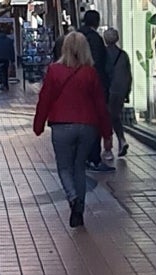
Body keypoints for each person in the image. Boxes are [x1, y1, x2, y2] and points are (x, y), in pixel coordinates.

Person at [32, 32, 111, 229]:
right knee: (79, 168)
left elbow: (45, 99)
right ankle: (80, 210)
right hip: (87, 126)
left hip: (61, 125)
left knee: (64, 167)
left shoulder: (54, 71)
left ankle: (73, 198)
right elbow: (100, 104)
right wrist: (107, 133)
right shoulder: (90, 72)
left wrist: (39, 124)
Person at [77, 10, 114, 172]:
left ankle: (82, 156)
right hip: (94, 86)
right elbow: (98, 64)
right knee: (95, 121)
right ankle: (93, 158)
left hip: (76, 86)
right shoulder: (95, 39)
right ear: (96, 22)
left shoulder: (75, 37)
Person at [103, 28, 131, 159]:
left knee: (107, 118)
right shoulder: (123, 55)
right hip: (120, 90)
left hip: (108, 90)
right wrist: (127, 92)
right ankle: (121, 140)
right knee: (115, 116)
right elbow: (128, 75)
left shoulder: (103, 54)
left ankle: (108, 147)